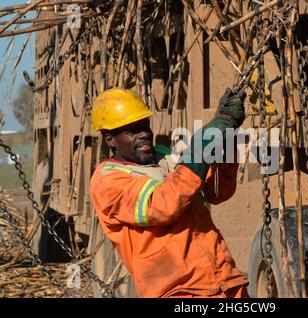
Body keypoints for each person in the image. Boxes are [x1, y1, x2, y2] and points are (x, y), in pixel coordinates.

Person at [89, 87, 248, 298]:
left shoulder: (163, 157)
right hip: (178, 290)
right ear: (110, 139)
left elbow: (215, 192)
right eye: (132, 130)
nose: (144, 134)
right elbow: (164, 205)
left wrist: (225, 136)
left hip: (224, 281)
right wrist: (203, 142)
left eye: (145, 126)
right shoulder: (108, 181)